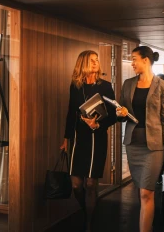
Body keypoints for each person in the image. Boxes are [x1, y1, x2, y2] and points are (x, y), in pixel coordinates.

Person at [116, 46, 164, 232]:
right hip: (133, 144)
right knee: (140, 191)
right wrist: (121, 113)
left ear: (146, 60)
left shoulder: (163, 86)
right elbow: (120, 113)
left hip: (154, 147)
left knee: (146, 193)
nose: (132, 63)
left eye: (134, 59)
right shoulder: (127, 84)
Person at [60, 50, 117, 232]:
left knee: (91, 183)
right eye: (92, 60)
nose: (96, 62)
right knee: (76, 184)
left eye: (97, 60)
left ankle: (89, 224)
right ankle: (88, 210)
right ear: (83, 63)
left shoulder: (106, 86)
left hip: (97, 137)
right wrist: (66, 138)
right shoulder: (75, 86)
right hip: (78, 138)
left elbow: (114, 115)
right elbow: (71, 113)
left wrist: (98, 123)